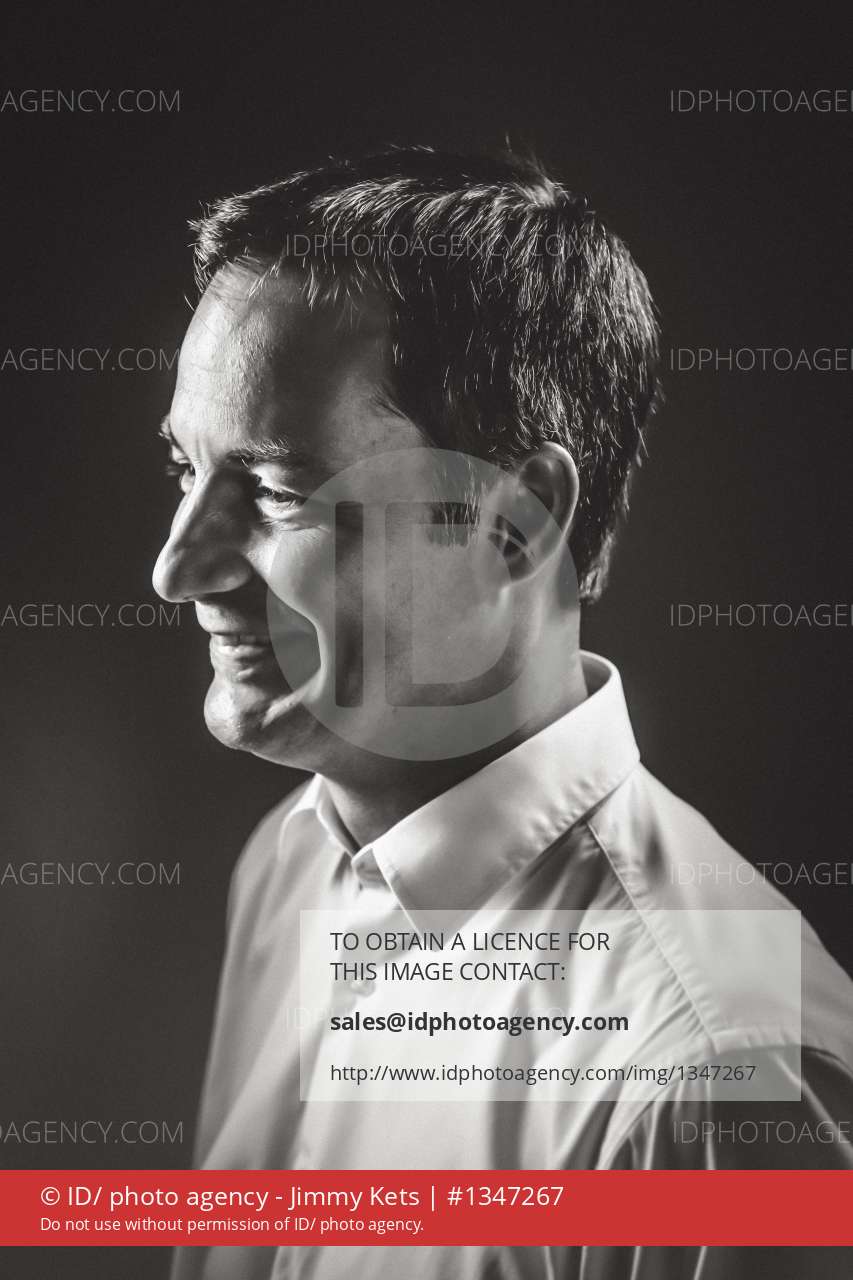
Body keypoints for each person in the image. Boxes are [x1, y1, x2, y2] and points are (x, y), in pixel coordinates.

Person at [153, 148, 853, 1280]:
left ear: (516, 522)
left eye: (277, 491)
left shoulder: (719, 1074)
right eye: (183, 470)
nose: (176, 568)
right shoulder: (285, 865)